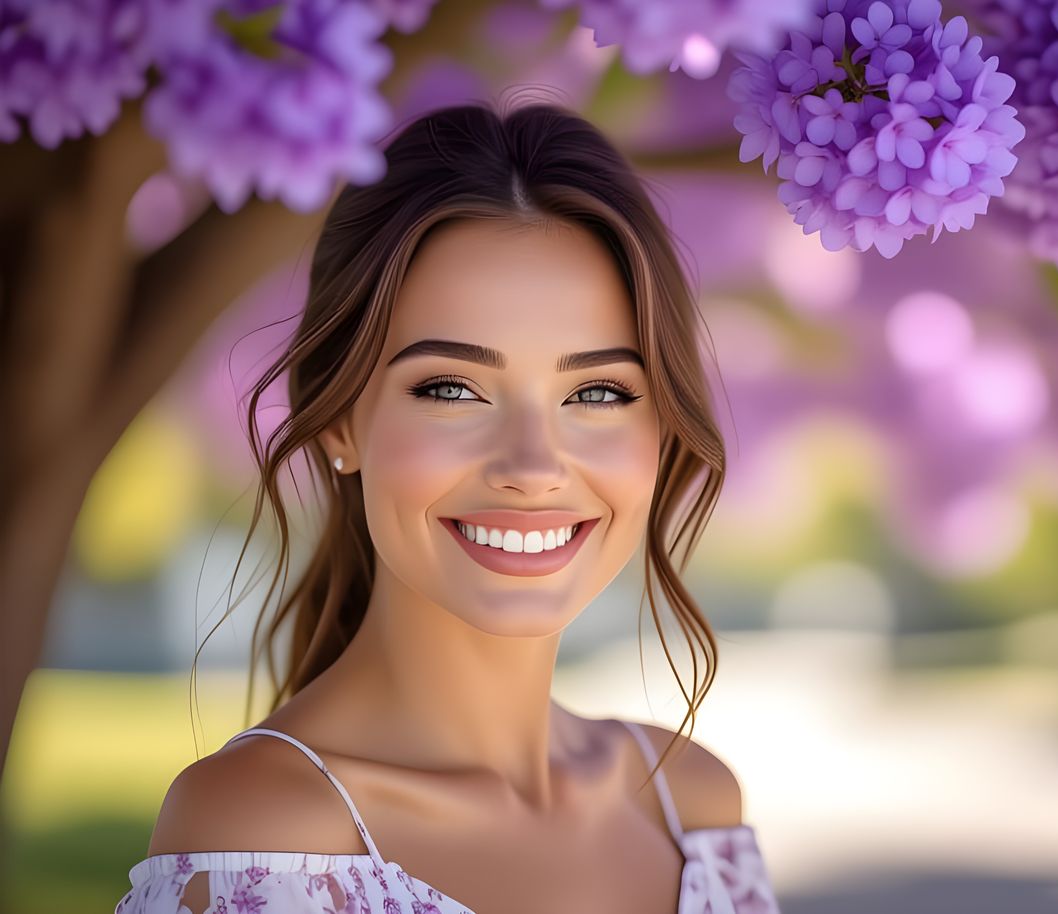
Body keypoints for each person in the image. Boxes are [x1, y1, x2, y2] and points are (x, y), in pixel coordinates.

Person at [114, 98, 780, 914]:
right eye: (452, 389)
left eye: (599, 391)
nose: (534, 467)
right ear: (336, 422)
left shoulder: (694, 805)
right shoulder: (269, 835)